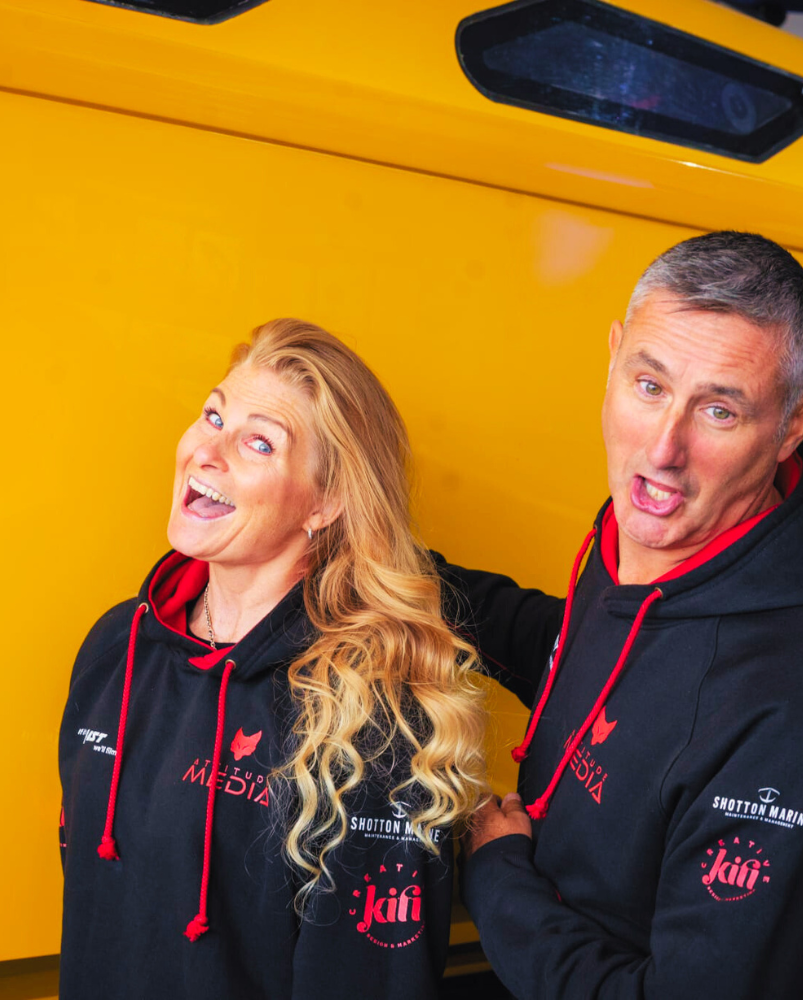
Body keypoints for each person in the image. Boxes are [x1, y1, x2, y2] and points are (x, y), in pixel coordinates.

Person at [58, 319, 487, 999]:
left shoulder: (368, 716)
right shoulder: (119, 644)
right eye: (212, 415)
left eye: (259, 442)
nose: (207, 452)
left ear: (326, 503)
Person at [445, 231, 803, 998]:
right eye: (649, 386)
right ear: (613, 359)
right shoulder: (674, 538)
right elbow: (598, 653)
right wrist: (391, 574)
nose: (664, 449)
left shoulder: (778, 708)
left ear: (792, 427)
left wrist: (497, 873)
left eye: (718, 411)